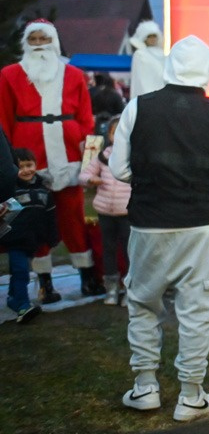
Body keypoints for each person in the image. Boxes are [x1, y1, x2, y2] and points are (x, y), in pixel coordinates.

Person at [109, 35, 209, 422]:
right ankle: (191, 394)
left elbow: (119, 169)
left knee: (143, 305)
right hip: (198, 225)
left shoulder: (137, 108)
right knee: (197, 310)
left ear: (169, 67)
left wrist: (151, 178)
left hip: (148, 224)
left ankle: (146, 386)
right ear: (207, 68)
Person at [0, 20, 101, 300]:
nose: (39, 42)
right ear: (25, 42)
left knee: (73, 218)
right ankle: (44, 282)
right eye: (33, 38)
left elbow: (87, 119)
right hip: (28, 156)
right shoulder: (9, 75)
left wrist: (91, 162)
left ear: (54, 42)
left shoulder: (74, 75)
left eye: (44, 37)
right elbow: (3, 121)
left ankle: (86, 274)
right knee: (33, 218)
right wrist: (8, 164)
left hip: (68, 154)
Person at [3, 147, 59, 323]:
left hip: (33, 240)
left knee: (19, 271)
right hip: (15, 239)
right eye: (21, 167)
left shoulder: (43, 190)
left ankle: (13, 297)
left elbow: (50, 214)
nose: (26, 170)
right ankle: (23, 306)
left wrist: (52, 236)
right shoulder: (10, 190)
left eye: (29, 165)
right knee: (21, 272)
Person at [82, 119, 132, 306]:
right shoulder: (103, 157)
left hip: (127, 213)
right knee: (108, 250)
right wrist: (91, 180)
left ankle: (130, 289)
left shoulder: (135, 157)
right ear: (109, 135)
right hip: (105, 212)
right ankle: (111, 288)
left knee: (130, 252)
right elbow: (84, 175)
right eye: (114, 132)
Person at [128, 20, 166, 99]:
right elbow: (140, 79)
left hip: (162, 93)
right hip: (146, 94)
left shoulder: (162, 54)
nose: (152, 39)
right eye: (149, 36)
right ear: (144, 38)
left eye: (154, 36)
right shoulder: (140, 54)